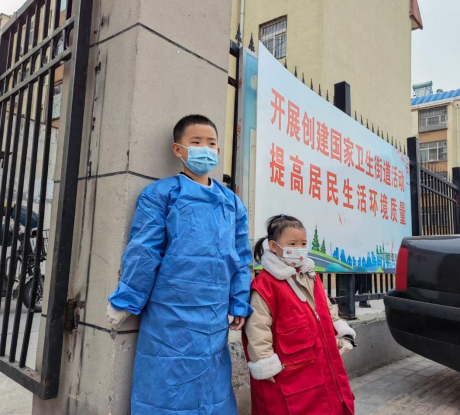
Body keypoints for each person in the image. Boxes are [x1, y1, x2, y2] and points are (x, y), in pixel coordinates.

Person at [105, 115, 253, 414]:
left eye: (210, 144)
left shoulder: (232, 203)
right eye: (195, 142)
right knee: (167, 384)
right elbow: (144, 250)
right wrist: (126, 300)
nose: (204, 149)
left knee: (212, 386)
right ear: (178, 149)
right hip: (170, 311)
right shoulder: (162, 194)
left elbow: (240, 257)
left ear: (218, 151)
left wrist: (239, 302)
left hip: (214, 313)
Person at [244, 215, 356, 415]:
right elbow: (257, 327)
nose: (299, 249)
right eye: (292, 244)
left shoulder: (311, 276)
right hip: (290, 373)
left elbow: (327, 309)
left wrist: (340, 331)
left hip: (322, 365)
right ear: (274, 246)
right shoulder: (265, 285)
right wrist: (264, 361)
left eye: (303, 243)